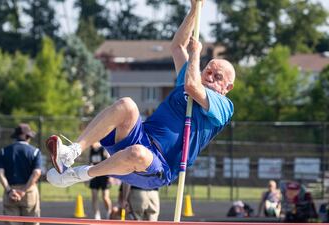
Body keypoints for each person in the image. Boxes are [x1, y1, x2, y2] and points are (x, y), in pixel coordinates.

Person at [46, 0, 235, 190]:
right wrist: (194, 10)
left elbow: (192, 86)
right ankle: (71, 152)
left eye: (217, 76)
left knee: (138, 153)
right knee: (127, 104)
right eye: (208, 71)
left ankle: (77, 175)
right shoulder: (189, 78)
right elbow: (178, 46)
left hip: (159, 167)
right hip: (141, 137)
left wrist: (195, 55)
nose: (209, 76)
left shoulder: (223, 106)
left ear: (228, 87)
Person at [0, 123, 42, 225]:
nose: (30, 137)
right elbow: (37, 173)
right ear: (25, 136)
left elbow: (0, 173)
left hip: (10, 192)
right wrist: (23, 190)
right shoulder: (35, 152)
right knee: (32, 222)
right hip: (29, 192)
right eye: (29, 135)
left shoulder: (4, 151)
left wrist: (9, 191)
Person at [88, 142, 112, 220]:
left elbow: (109, 162)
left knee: (105, 197)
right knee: (94, 197)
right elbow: (90, 162)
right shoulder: (91, 150)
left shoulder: (103, 149)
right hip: (94, 175)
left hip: (104, 175)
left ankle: (109, 212)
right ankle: (97, 216)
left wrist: (110, 176)